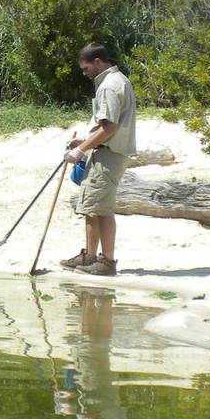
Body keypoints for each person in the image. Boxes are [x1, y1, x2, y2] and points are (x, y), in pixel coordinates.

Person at [61, 43, 136, 275]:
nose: (84, 74)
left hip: (108, 155)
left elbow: (110, 127)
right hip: (105, 152)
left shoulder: (110, 85)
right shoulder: (116, 81)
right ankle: (90, 257)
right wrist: (85, 140)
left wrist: (80, 150)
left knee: (99, 208)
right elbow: (107, 126)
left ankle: (106, 262)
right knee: (93, 207)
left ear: (97, 62)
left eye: (85, 68)